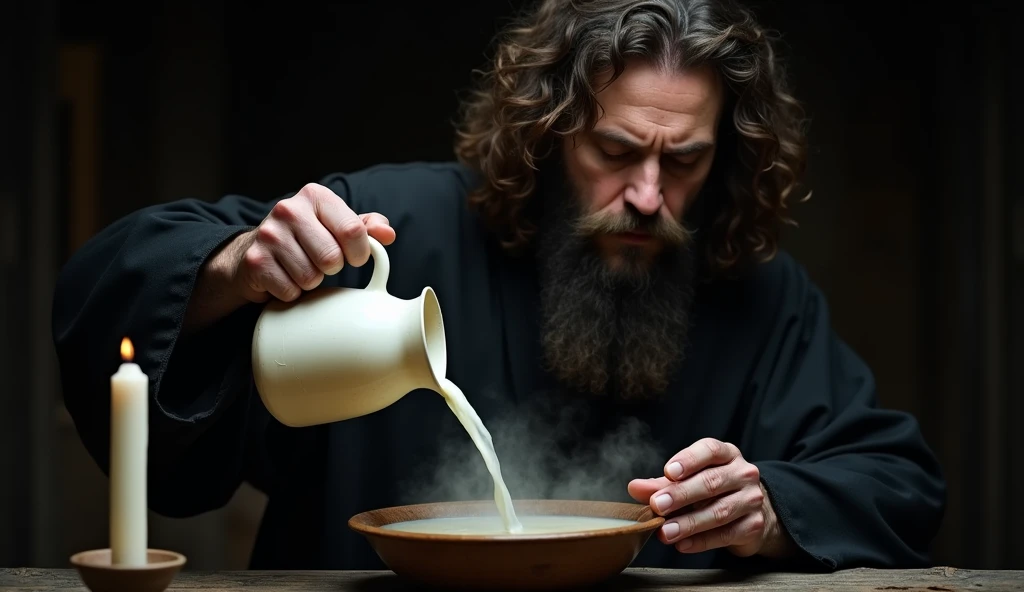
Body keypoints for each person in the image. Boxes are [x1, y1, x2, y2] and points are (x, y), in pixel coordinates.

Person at [52, 0, 945, 572]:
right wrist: (234, 269)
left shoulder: (762, 297)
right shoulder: (393, 225)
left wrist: (774, 506)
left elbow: (895, 481)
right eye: (616, 150)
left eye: (687, 161)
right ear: (552, 133)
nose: (647, 194)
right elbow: (113, 276)